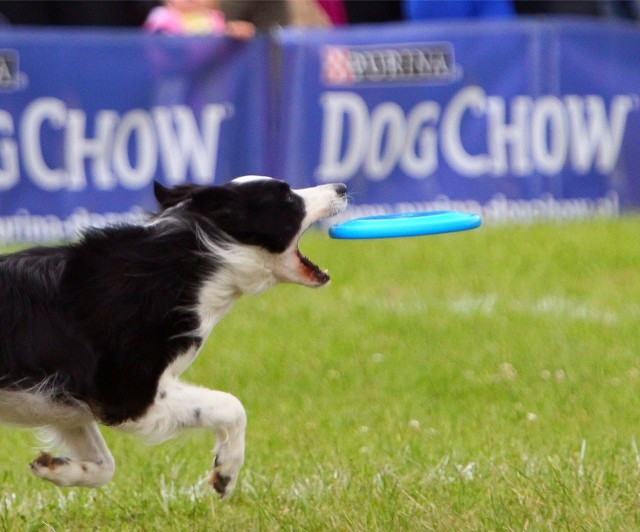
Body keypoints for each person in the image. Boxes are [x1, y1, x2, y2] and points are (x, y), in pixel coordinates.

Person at [144, 0, 256, 38]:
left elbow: (219, 44)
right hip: (171, 77)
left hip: (206, 78)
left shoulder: (214, 19)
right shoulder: (161, 16)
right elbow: (153, 47)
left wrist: (234, 32)